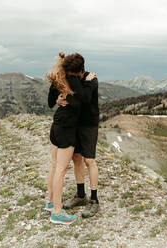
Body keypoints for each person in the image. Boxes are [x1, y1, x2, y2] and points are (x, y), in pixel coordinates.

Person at [44, 52, 95, 224]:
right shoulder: (73, 79)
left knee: (54, 166)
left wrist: (59, 99)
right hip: (67, 130)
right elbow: (81, 101)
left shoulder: (58, 78)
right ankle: (57, 213)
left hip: (56, 125)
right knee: (61, 171)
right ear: (80, 70)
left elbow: (51, 102)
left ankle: (51, 203)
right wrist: (87, 84)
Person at [60, 67, 100, 218]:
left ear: (80, 72)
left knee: (89, 160)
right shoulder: (74, 78)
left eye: (73, 75)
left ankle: (94, 200)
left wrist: (86, 84)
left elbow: (85, 99)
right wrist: (59, 99)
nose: (71, 77)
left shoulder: (92, 79)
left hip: (89, 124)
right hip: (75, 123)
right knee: (76, 158)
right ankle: (81, 195)